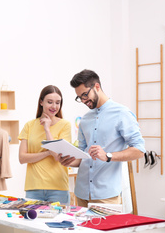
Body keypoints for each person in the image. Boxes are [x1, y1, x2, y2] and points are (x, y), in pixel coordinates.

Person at [60, 69, 145, 207]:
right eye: (79, 97)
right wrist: (68, 161)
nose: (83, 100)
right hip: (81, 193)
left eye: (85, 95)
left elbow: (139, 151)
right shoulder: (85, 119)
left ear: (97, 87)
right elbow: (82, 156)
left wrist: (108, 156)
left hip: (106, 195)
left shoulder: (122, 113)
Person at [18, 85, 72, 204]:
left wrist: (47, 129)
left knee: (59, 222)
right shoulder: (29, 125)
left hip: (58, 188)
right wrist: (48, 152)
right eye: (50, 102)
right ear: (41, 102)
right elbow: (22, 158)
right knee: (31, 223)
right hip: (33, 187)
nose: (54, 106)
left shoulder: (65, 125)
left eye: (58, 102)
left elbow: (58, 157)